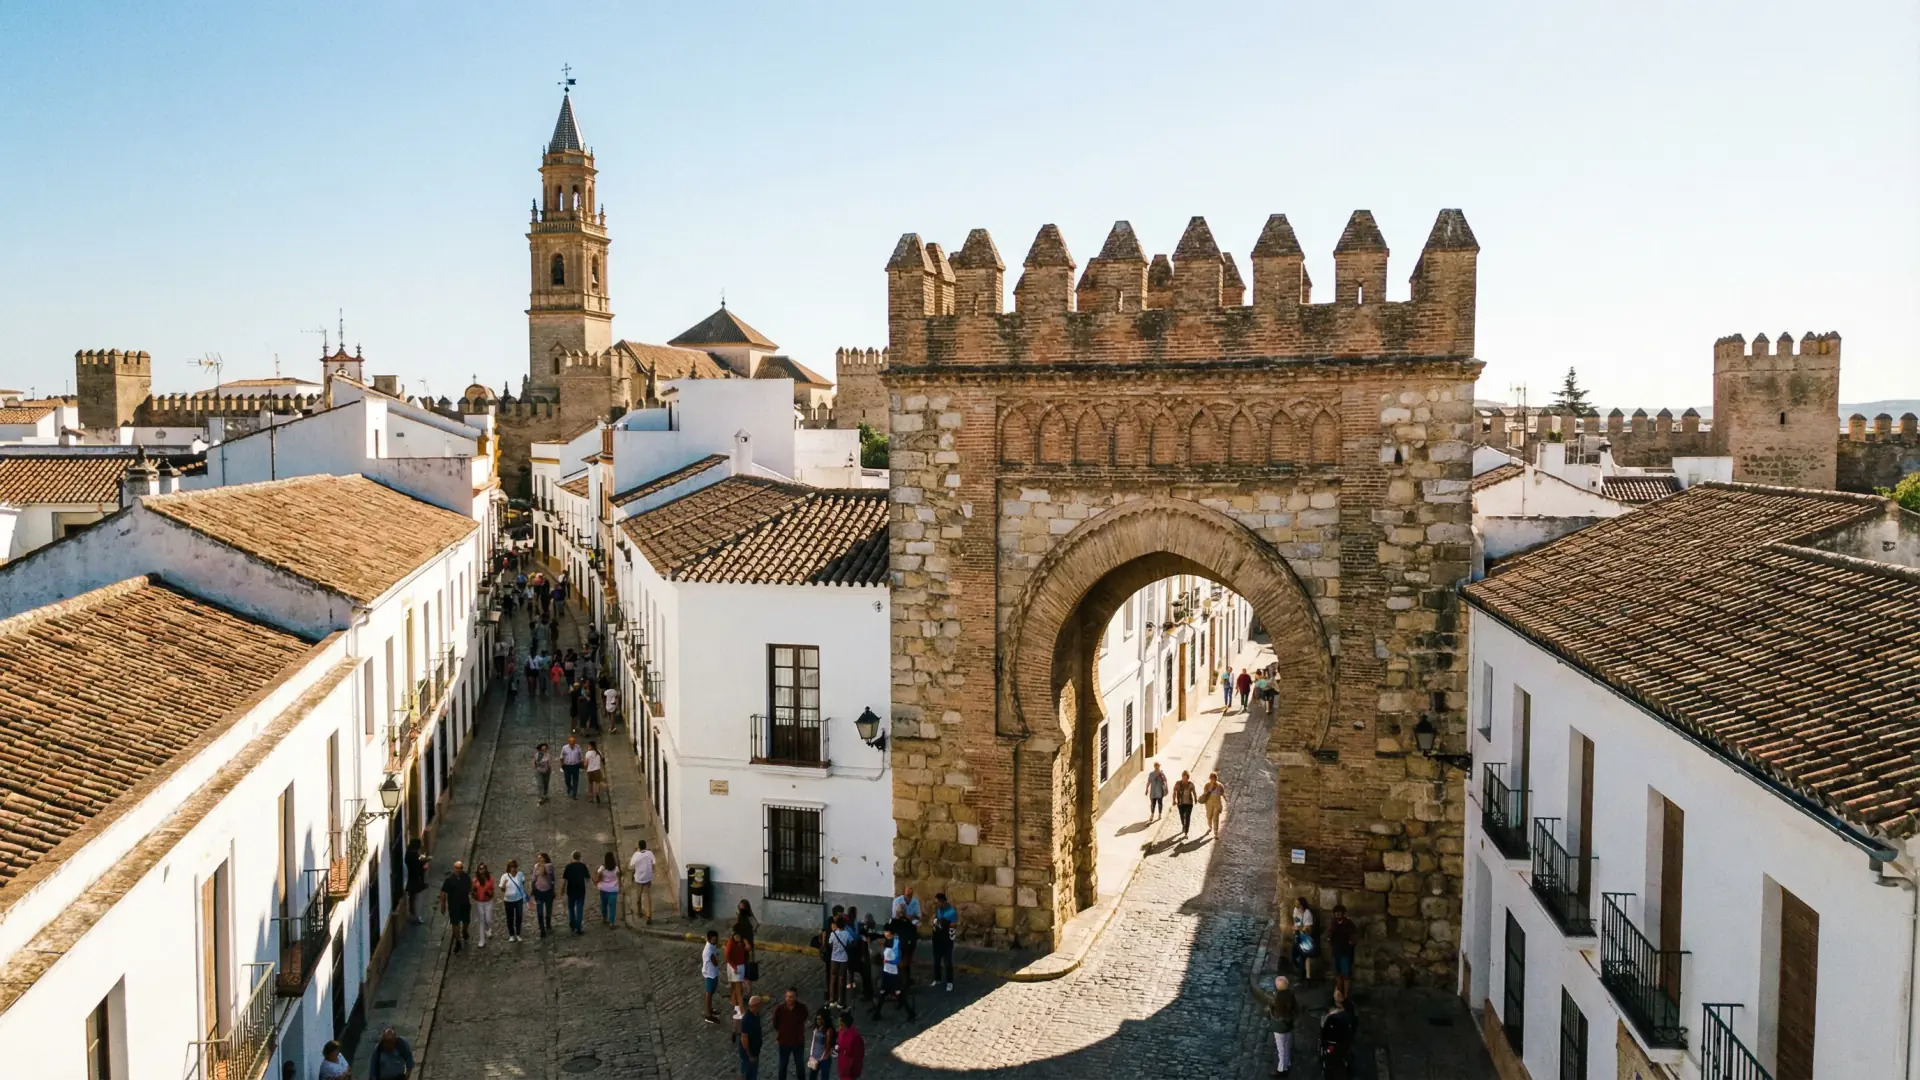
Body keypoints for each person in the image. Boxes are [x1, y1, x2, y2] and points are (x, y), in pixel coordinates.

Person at [872, 928, 916, 1020]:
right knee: (883, 992)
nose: (884, 933)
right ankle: (877, 1013)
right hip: (886, 972)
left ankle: (910, 1012)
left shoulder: (896, 943)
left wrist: (887, 961)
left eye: (886, 931)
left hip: (893, 973)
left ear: (890, 933)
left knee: (897, 992)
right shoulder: (887, 942)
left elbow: (897, 960)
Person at [771, 988, 809, 1080]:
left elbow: (804, 1017)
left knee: (800, 1065)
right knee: (782, 1065)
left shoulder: (801, 1008)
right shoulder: (779, 1009)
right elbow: (775, 1024)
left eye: (791, 997)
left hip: (798, 1042)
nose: (789, 999)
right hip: (784, 1042)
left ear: (796, 997)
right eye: (787, 997)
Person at [1320, 989, 1357, 1071]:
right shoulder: (1349, 1015)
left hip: (1332, 1042)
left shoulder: (1331, 1018)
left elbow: (1324, 1031)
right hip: (1345, 1041)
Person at [1269, 975, 1298, 1077]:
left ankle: (1281, 1069)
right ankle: (1287, 1063)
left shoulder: (1278, 998)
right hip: (1288, 1025)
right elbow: (1295, 1009)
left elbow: (1277, 1013)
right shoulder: (1291, 994)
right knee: (1286, 1045)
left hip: (1279, 1026)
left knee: (1281, 1048)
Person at [889, 887, 921, 981]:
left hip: (905, 942)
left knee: (905, 961)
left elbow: (918, 917)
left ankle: (904, 979)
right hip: (902, 942)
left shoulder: (915, 902)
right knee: (903, 961)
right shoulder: (897, 902)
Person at [1328, 904, 1358, 998]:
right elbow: (1330, 936)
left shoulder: (1349, 924)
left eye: (1339, 913)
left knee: (1346, 976)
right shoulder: (1333, 924)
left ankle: (1345, 997)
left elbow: (1353, 939)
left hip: (1345, 953)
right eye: (1336, 913)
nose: (1337, 915)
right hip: (1336, 952)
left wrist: (1351, 942)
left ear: (1343, 913)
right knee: (1337, 975)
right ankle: (1339, 995)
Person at [930, 892, 957, 991]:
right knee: (936, 960)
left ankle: (949, 982)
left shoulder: (951, 912)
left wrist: (944, 924)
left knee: (947, 961)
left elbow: (953, 925)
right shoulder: (938, 909)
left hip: (947, 939)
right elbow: (936, 919)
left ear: (942, 902)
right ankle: (937, 979)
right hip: (937, 937)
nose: (936, 904)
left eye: (937, 902)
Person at [825, 913, 852, 1007]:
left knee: (832, 979)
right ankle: (840, 1001)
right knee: (841, 979)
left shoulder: (833, 934)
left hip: (834, 958)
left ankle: (831, 999)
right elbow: (851, 942)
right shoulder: (847, 934)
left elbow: (830, 944)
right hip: (844, 959)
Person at [562, 851, 592, 934]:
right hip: (580, 891)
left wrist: (562, 890)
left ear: (572, 857)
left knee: (571, 908)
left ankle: (572, 924)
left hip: (571, 890)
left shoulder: (568, 867)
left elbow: (565, 880)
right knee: (579, 909)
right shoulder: (583, 866)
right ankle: (578, 927)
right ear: (580, 857)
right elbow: (587, 878)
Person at [738, 995, 766, 1080]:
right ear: (755, 1005)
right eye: (760, 1004)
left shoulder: (756, 1014)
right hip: (749, 1053)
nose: (762, 1006)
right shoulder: (747, 1019)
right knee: (749, 1073)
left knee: (748, 1071)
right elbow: (744, 1039)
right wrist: (750, 1055)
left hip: (754, 1051)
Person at [500, 859, 527, 943]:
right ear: (509, 868)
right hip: (508, 901)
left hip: (518, 899)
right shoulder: (505, 876)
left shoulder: (520, 874)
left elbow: (522, 885)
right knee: (510, 918)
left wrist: (523, 896)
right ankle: (511, 935)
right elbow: (502, 889)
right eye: (511, 867)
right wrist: (504, 885)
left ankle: (518, 934)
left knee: (519, 917)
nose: (513, 869)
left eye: (514, 867)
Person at [833, 1012, 866, 1080]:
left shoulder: (855, 1037)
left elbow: (858, 1056)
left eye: (840, 1022)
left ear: (844, 1023)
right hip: (842, 1067)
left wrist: (853, 1072)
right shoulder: (841, 1032)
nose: (839, 1024)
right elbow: (840, 1044)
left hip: (850, 1071)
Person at [1290, 896, 1316, 982]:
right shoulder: (1296, 910)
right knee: (1294, 955)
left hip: (1305, 938)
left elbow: (1308, 929)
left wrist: (1299, 929)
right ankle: (1301, 973)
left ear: (1301, 904)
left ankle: (1303, 977)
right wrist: (1295, 927)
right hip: (1298, 936)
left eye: (1298, 903)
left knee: (1303, 956)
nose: (1296, 904)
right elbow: (1296, 921)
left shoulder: (1307, 914)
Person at [701, 929, 725, 1024]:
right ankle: (708, 1014)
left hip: (712, 972)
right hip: (710, 974)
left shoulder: (711, 946)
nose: (715, 941)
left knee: (711, 992)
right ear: (709, 939)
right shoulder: (709, 951)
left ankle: (709, 1009)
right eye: (714, 940)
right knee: (709, 993)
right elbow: (715, 963)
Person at [531, 852, 556, 937]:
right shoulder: (536, 866)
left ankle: (548, 924)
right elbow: (534, 878)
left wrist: (541, 865)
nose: (539, 860)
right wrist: (532, 887)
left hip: (548, 892)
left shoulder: (549, 866)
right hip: (538, 892)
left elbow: (547, 875)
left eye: (540, 858)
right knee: (540, 912)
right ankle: (542, 929)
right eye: (538, 859)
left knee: (548, 911)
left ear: (545, 859)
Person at [726, 928, 752, 1010]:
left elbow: (747, 949)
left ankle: (735, 1000)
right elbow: (728, 956)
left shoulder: (740, 943)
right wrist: (734, 967)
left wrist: (746, 942)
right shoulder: (731, 945)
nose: (738, 938)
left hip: (741, 965)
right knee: (737, 986)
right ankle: (738, 1004)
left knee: (737, 985)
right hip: (736, 967)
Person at [629, 841, 656, 924]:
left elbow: (630, 866)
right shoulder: (650, 853)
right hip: (648, 878)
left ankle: (639, 912)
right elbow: (654, 863)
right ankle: (649, 916)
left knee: (638, 896)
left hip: (639, 879)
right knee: (647, 897)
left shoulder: (636, 855)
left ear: (639, 847)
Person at [470, 862, 495, 948]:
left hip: (488, 902)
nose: (481, 870)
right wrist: (474, 894)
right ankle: (482, 940)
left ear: (485, 869)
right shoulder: (475, 880)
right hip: (479, 903)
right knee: (481, 921)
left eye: (483, 868)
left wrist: (489, 893)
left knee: (488, 919)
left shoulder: (490, 879)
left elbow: (492, 891)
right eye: (480, 868)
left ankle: (488, 929)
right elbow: (472, 891)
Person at [806, 1008, 835, 1080]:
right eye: (817, 1019)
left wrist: (827, 1036)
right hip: (815, 1057)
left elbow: (828, 1047)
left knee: (824, 1077)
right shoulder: (816, 1028)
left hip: (824, 1059)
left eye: (820, 1019)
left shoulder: (828, 1031)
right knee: (812, 1077)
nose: (818, 1021)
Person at [404, 839, 429, 925]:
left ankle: (413, 914)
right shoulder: (413, 855)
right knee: (417, 899)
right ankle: (416, 917)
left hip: (411, 879)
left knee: (412, 898)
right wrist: (424, 864)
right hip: (416, 880)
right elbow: (417, 867)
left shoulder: (408, 853)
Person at [595, 851, 621, 926]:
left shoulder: (602, 868)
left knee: (604, 905)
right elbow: (618, 877)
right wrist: (620, 887)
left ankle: (604, 918)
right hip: (613, 890)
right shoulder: (616, 868)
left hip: (603, 889)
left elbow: (598, 876)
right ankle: (611, 923)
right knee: (612, 907)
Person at [1172, 770, 1198, 837]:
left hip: (1189, 803)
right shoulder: (1178, 783)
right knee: (1182, 816)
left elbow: (1194, 792)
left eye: (1185, 777)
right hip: (1180, 803)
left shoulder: (1190, 784)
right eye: (1183, 777)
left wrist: (1195, 798)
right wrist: (1174, 800)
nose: (1184, 779)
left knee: (1187, 817)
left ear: (1187, 778)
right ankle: (1183, 825)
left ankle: (1186, 832)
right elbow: (1174, 791)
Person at [1201, 771, 1228, 836]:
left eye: (1214, 779)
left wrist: (1225, 799)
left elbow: (1222, 793)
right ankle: (1210, 826)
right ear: (1210, 778)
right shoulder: (1207, 785)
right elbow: (1205, 793)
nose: (1213, 780)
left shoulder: (1219, 785)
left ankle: (1216, 832)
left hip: (1217, 804)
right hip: (1209, 804)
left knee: (1216, 818)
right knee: (1209, 816)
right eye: (1211, 778)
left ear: (1216, 779)